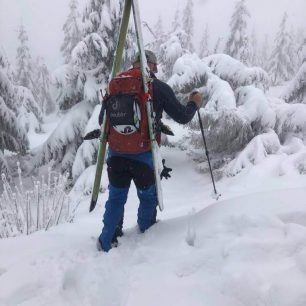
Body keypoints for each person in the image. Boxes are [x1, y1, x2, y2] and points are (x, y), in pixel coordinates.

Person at [97, 50, 202, 252]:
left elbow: (103, 122)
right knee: (147, 197)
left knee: (116, 197)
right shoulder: (157, 87)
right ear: (151, 66)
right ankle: (147, 238)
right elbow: (181, 116)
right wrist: (194, 103)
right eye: (155, 65)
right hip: (143, 156)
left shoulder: (116, 85)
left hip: (116, 155)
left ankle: (107, 240)